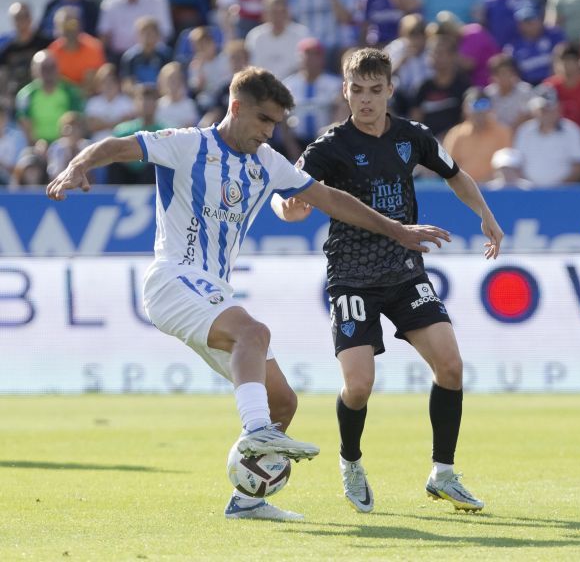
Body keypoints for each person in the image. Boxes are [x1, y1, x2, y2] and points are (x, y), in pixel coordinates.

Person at [46, 66, 451, 521]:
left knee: (284, 401)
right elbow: (119, 146)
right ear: (236, 108)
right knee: (252, 333)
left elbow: (332, 200)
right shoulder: (187, 144)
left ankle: (248, 499)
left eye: (275, 123)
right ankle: (257, 430)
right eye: (262, 120)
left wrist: (395, 230)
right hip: (173, 279)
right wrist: (77, 166)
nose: (268, 131)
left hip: (211, 291)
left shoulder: (266, 160)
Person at [274, 47, 503, 514]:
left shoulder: (411, 136)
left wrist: (485, 214)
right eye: (357, 90)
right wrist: (289, 207)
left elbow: (456, 175)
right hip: (352, 277)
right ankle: (351, 462)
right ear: (345, 91)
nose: (366, 100)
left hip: (403, 272)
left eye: (375, 90)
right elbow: (289, 200)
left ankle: (443, 473)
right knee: (358, 386)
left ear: (390, 91)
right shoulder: (328, 147)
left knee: (451, 367)